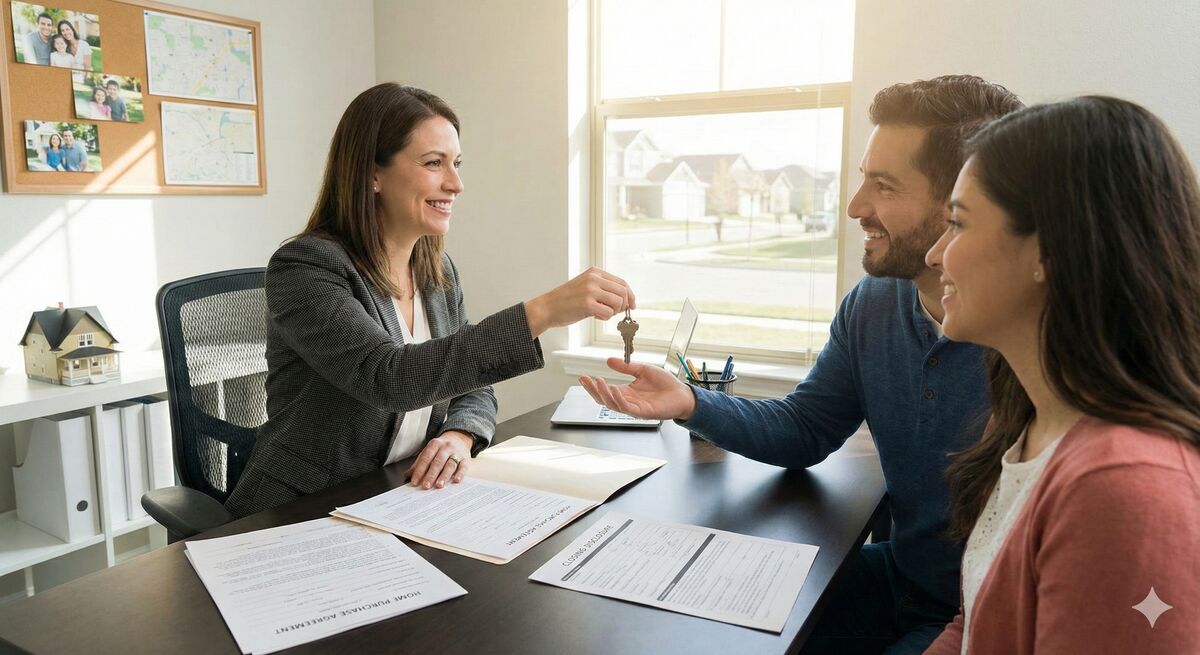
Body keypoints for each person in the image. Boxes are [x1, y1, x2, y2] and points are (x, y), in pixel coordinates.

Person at [579, 75, 1023, 654]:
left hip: (980, 614)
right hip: (898, 577)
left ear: (961, 202)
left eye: (884, 186)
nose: (855, 206)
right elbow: (807, 428)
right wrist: (690, 402)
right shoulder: (873, 304)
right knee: (696, 617)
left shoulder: (1030, 340)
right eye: (863, 178)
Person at [224, 83, 637, 518]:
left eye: (456, 163)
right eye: (433, 163)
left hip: (400, 497)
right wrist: (542, 312)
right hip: (302, 508)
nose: (456, 184)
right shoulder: (305, 267)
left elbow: (472, 382)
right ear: (372, 174)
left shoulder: (437, 270)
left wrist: (460, 435)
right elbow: (389, 378)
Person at [922, 97, 1200, 654]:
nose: (935, 255)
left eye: (957, 223)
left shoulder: (1121, 488)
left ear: (1047, 251)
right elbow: (975, 624)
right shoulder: (1023, 420)